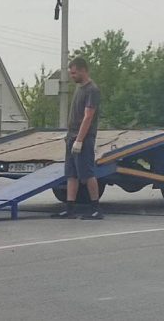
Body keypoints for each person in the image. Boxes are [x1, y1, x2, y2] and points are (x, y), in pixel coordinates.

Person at [52, 57, 103, 220]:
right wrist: (70, 136)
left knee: (87, 173)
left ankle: (96, 208)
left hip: (84, 139)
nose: (72, 76)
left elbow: (88, 116)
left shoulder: (92, 90)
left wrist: (80, 140)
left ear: (83, 70)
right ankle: (69, 207)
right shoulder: (79, 88)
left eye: (74, 73)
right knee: (71, 174)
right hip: (71, 136)